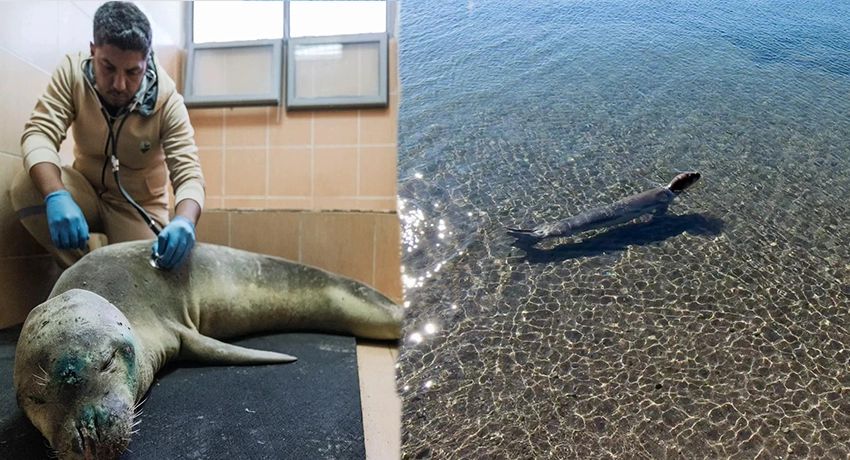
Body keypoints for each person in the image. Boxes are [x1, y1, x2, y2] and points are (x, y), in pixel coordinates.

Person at [11, 1, 205, 270]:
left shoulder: (168, 101)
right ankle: (88, 276)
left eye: (132, 72)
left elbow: (189, 175)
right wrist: (57, 195)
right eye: (108, 67)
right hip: (85, 193)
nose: (119, 84)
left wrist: (184, 221)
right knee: (26, 186)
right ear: (93, 51)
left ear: (146, 62)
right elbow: (39, 133)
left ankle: (110, 274)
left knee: (146, 279)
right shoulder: (72, 73)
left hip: (138, 208)